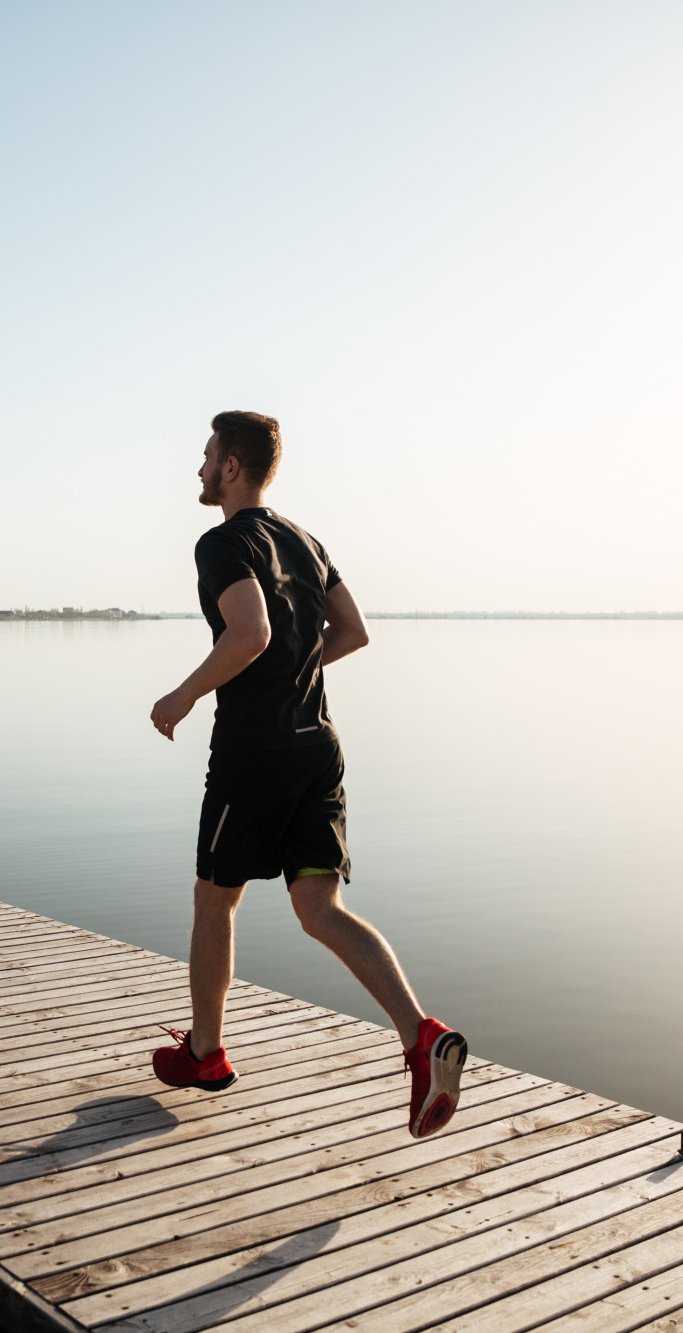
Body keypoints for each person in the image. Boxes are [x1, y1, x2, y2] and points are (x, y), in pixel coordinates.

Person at [147, 411, 468, 1138]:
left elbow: (251, 631)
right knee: (320, 910)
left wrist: (186, 693)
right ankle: (420, 1034)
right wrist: (296, 670)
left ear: (232, 466)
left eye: (206, 457)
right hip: (318, 747)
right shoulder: (306, 540)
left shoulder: (224, 542)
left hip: (252, 755)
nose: (198, 469)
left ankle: (206, 1052)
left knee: (214, 900)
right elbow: (352, 630)